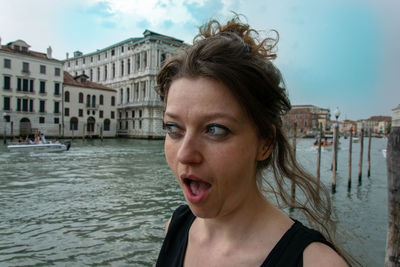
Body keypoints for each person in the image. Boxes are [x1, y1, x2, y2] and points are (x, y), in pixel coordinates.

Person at [155, 16, 353, 266]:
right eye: (173, 128)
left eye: (215, 129)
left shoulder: (317, 263)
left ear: (265, 143)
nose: (184, 154)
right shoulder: (176, 226)